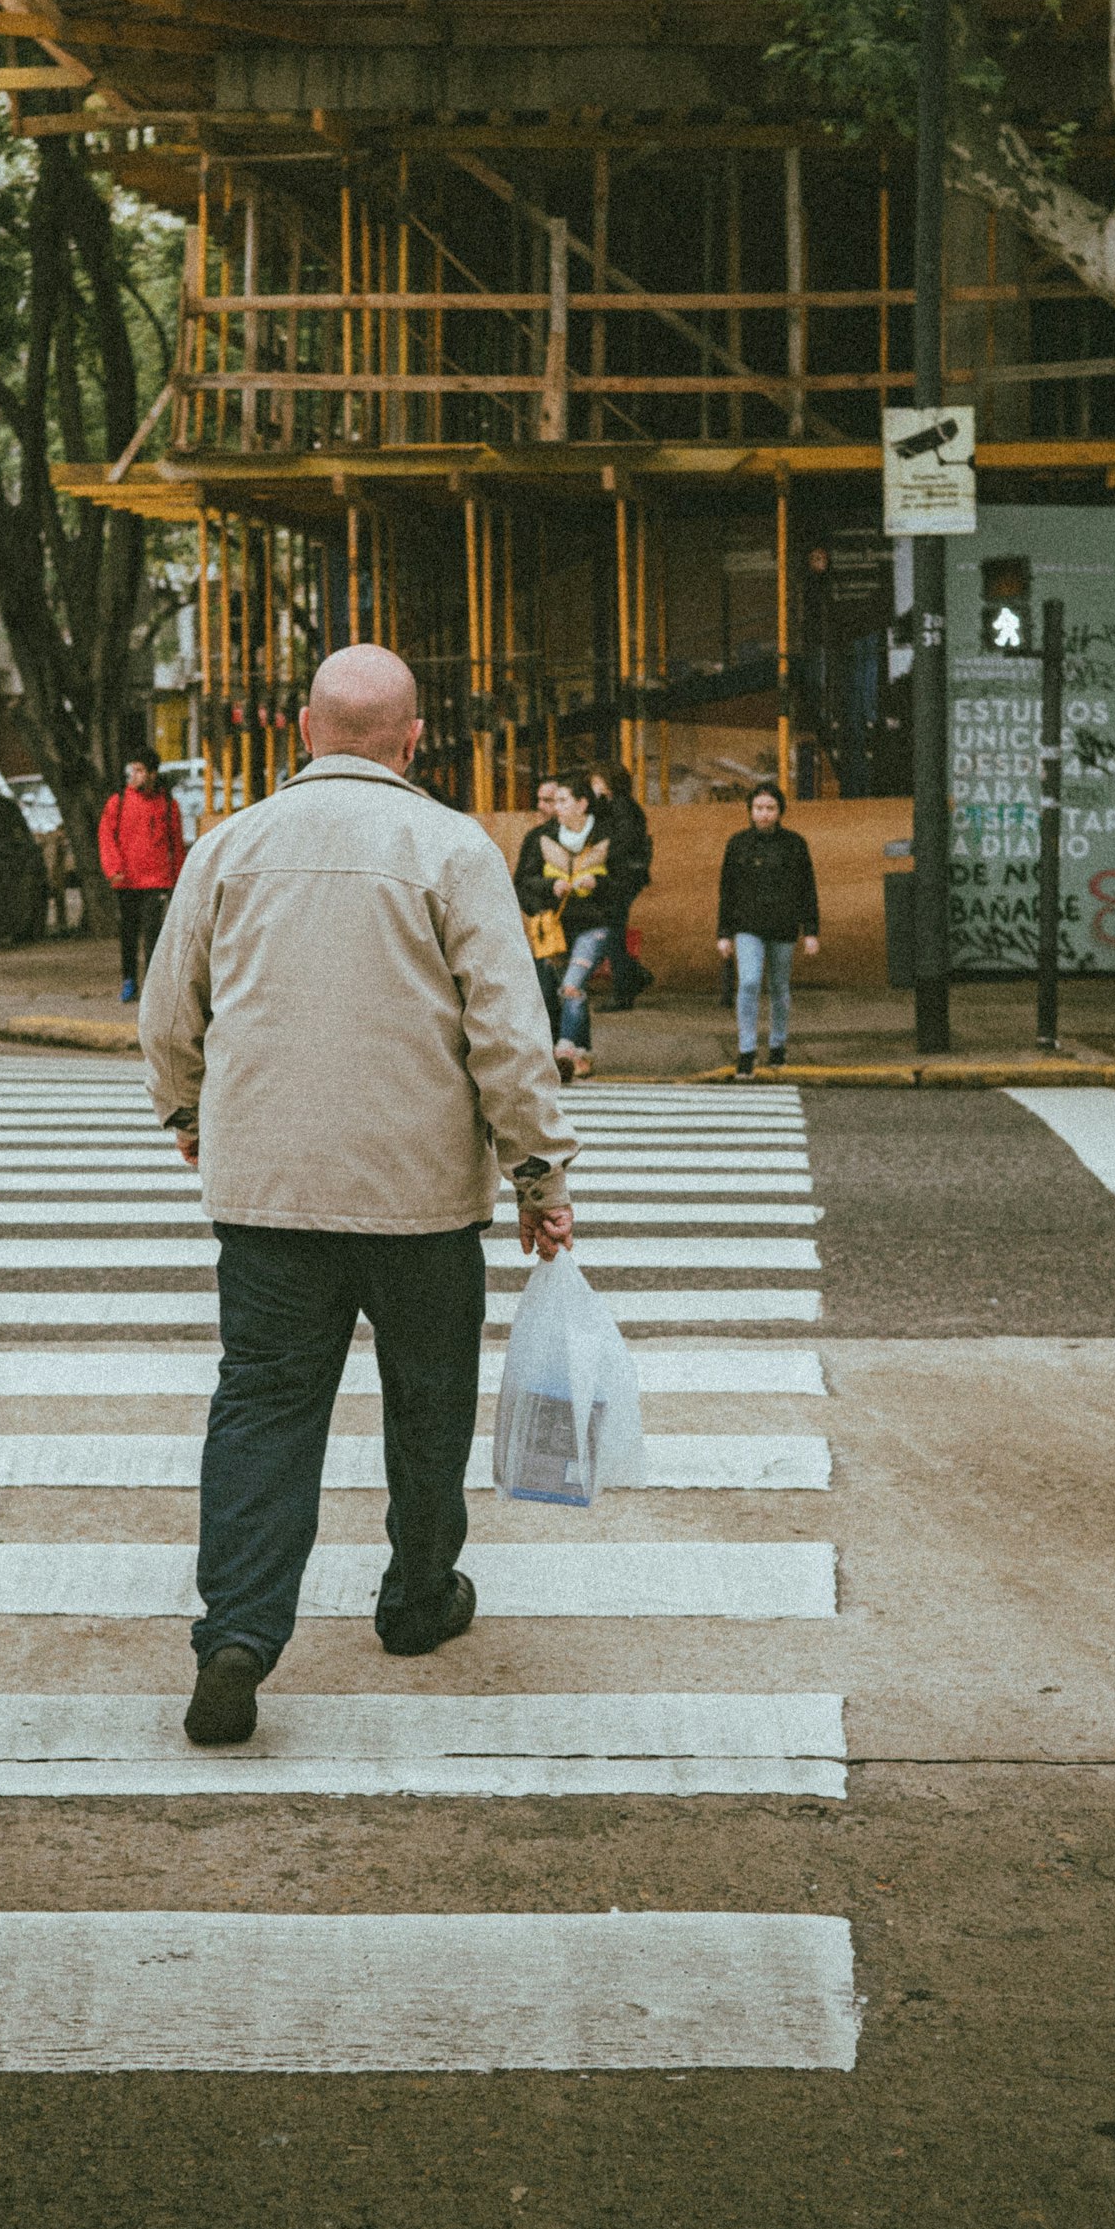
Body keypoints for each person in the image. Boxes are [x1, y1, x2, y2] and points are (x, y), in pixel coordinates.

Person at [139, 643, 577, 1748]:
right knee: (427, 1402)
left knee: (263, 1406)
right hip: (420, 1200)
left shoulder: (230, 846)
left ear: (300, 728)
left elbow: (167, 1009)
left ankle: (237, 1634)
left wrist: (186, 1112)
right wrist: (537, 1171)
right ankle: (416, 1598)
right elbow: (509, 1035)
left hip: (268, 1196)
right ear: (414, 738)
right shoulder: (451, 848)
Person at [512, 772, 621, 1079]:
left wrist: (598, 882)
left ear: (583, 803)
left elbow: (627, 880)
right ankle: (581, 1054)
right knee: (562, 989)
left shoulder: (606, 835)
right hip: (554, 927)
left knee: (572, 984)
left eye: (562, 800)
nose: (555, 807)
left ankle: (564, 1049)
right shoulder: (539, 838)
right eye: (552, 800)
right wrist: (550, 887)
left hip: (595, 924)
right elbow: (521, 883)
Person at [717, 781, 820, 1077]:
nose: (763, 814)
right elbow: (728, 890)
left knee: (779, 987)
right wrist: (723, 933)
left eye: (770, 808)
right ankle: (747, 1049)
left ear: (780, 811)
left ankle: (778, 1045)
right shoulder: (737, 843)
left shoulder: (795, 844)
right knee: (748, 982)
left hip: (784, 924)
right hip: (747, 924)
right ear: (749, 811)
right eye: (758, 808)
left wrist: (811, 930)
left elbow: (807, 888)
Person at [99, 747, 186, 1002]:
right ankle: (129, 980)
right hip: (126, 881)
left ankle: (152, 985)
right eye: (132, 770)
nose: (134, 775)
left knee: (153, 936)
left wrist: (179, 880)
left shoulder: (169, 806)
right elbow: (106, 837)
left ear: (152, 773)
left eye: (139, 770)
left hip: (157, 880)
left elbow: (176, 846)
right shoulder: (118, 802)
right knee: (128, 934)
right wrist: (113, 869)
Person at [590, 761, 654, 1009]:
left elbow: (621, 844)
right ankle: (634, 976)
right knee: (611, 932)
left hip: (620, 879)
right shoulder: (617, 807)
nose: (593, 787)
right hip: (622, 878)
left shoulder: (622, 808)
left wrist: (600, 856)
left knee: (612, 933)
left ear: (608, 784)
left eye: (597, 782)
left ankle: (625, 988)